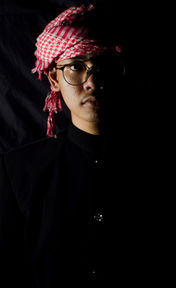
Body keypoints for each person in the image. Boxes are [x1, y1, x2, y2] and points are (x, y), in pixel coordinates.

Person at [0, 4, 128, 287]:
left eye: (102, 66)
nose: (92, 82)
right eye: (76, 67)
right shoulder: (18, 171)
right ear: (55, 79)